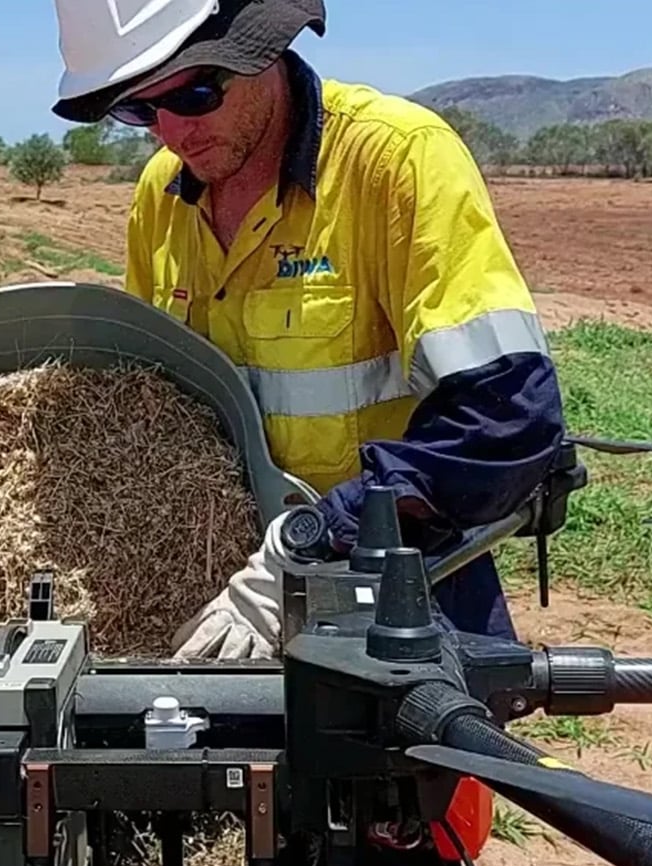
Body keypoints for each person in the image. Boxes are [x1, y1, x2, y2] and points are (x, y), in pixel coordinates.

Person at [48, 0, 568, 659]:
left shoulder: (396, 160)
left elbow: (506, 424)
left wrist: (310, 542)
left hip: (398, 586)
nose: (175, 133)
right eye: (139, 111)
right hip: (213, 602)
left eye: (195, 94)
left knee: (433, 760)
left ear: (260, 50)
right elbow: (150, 412)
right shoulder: (162, 195)